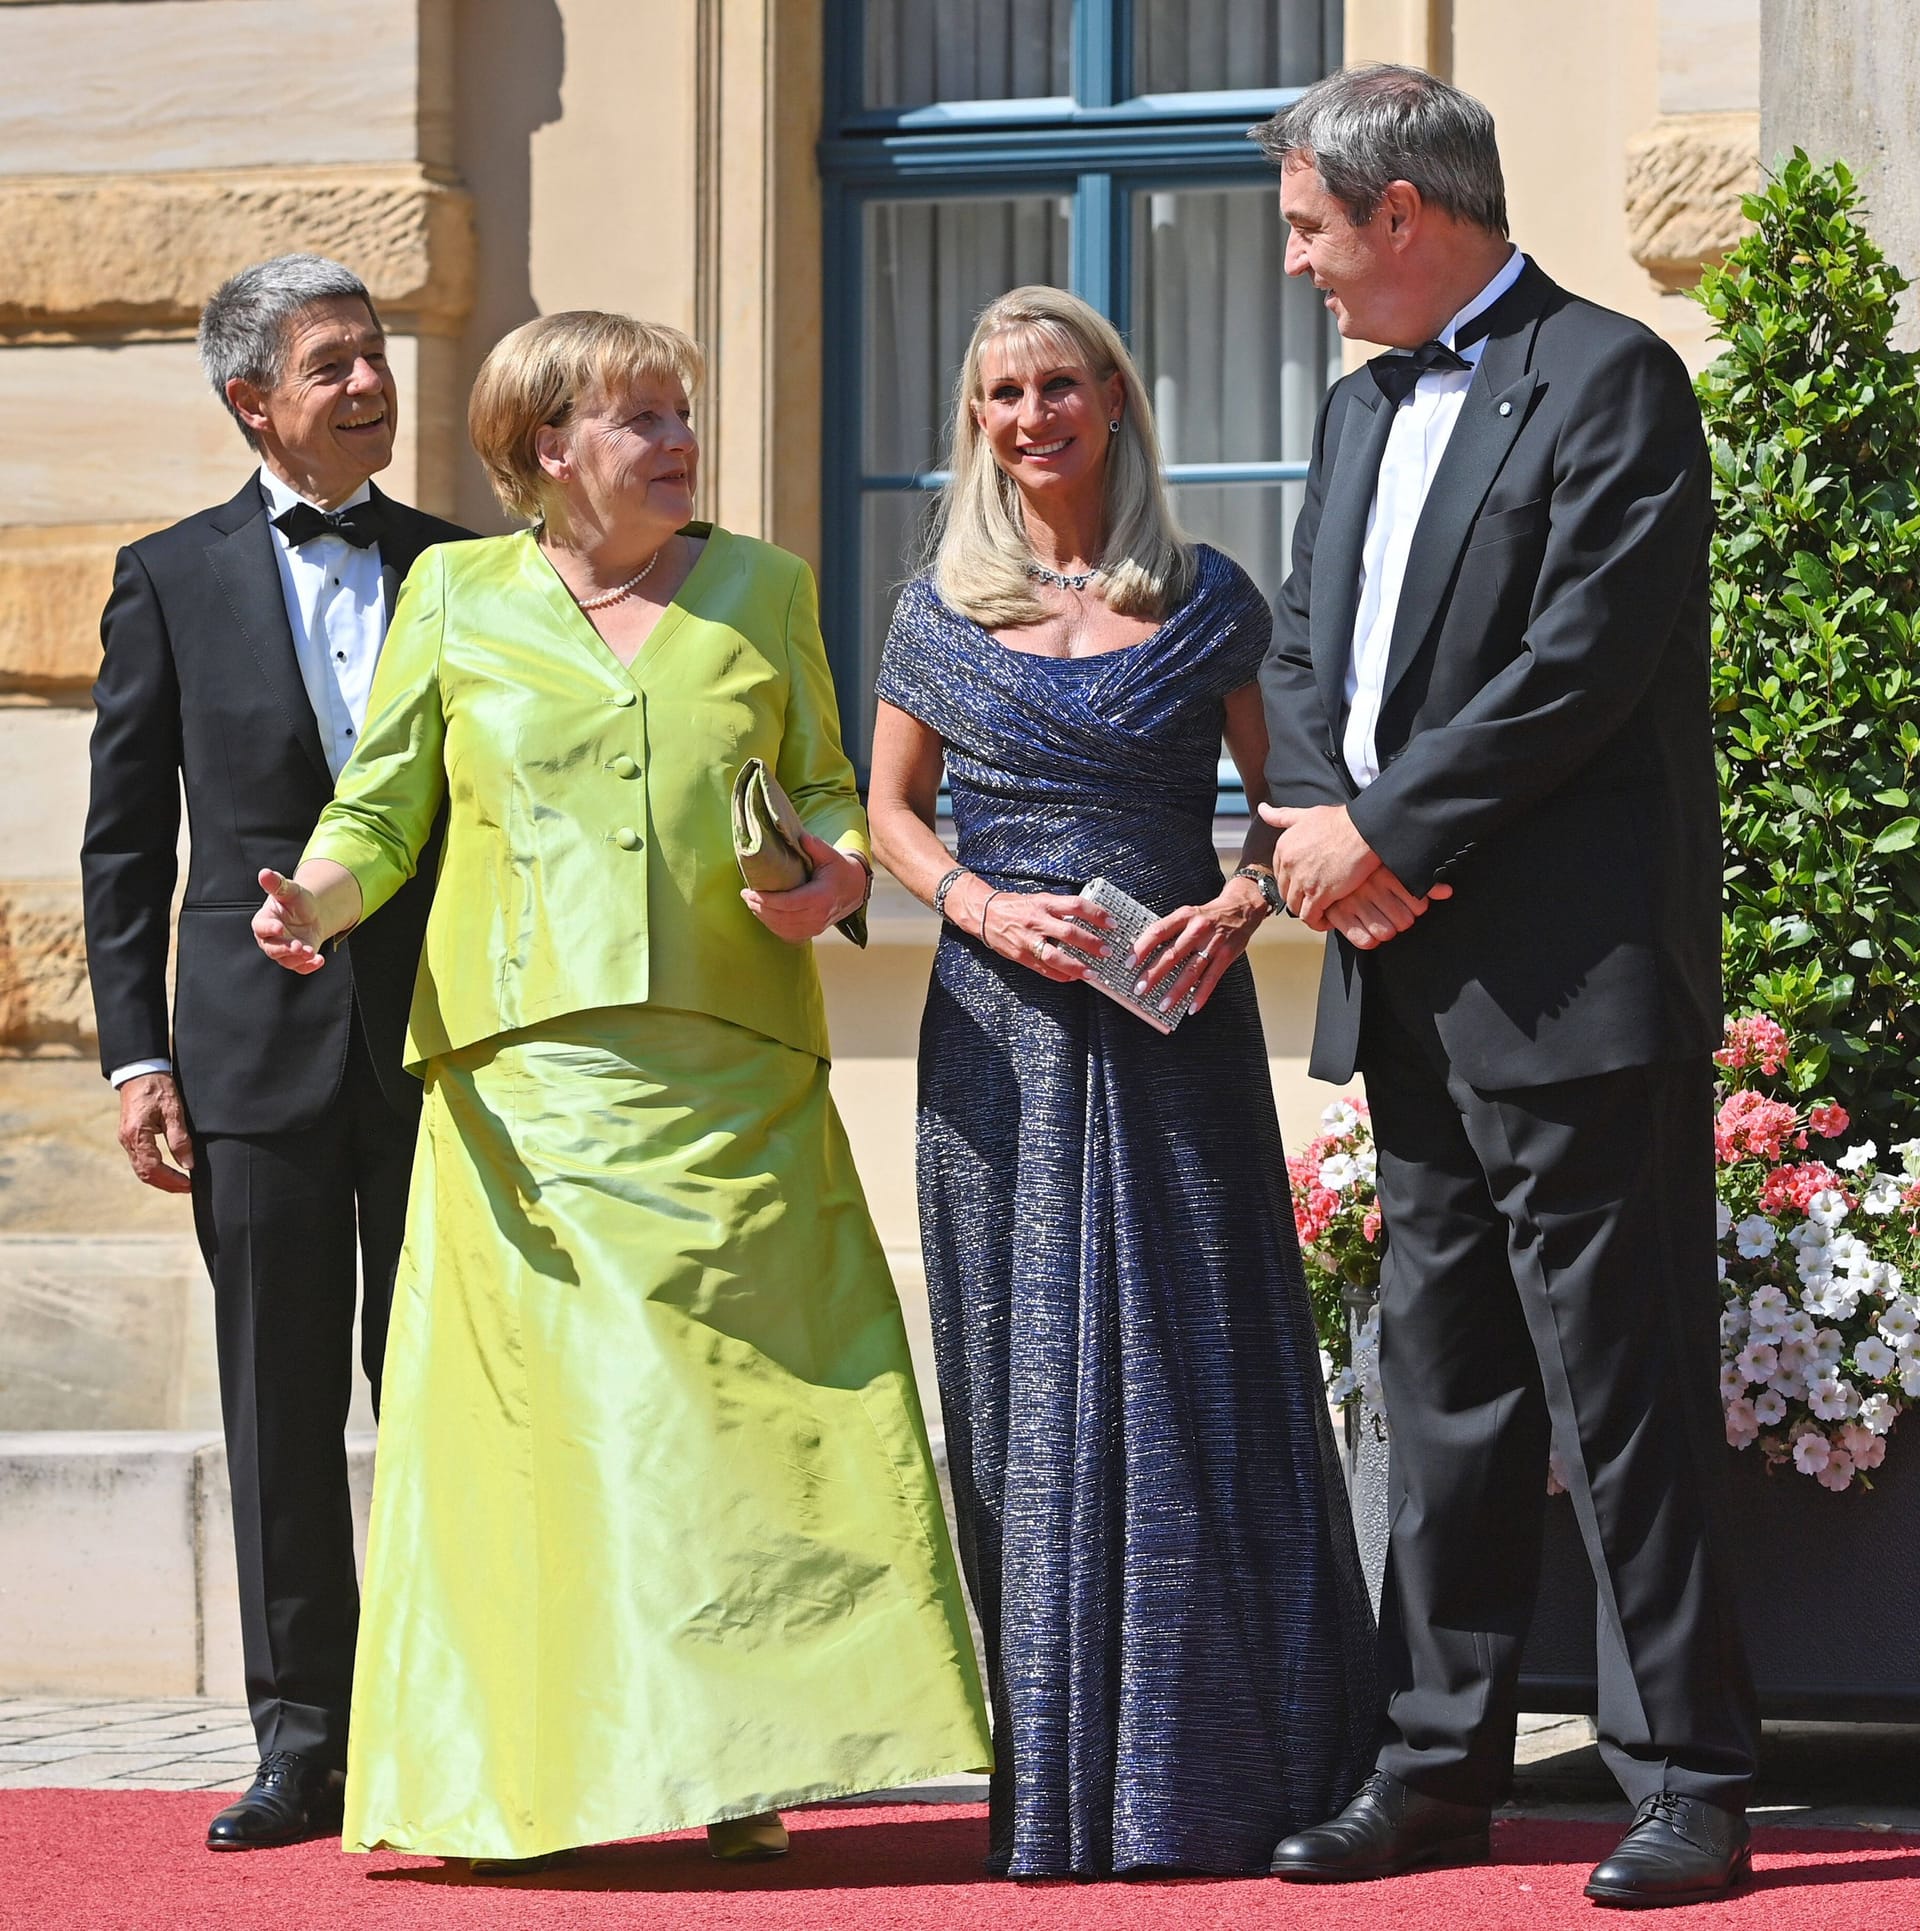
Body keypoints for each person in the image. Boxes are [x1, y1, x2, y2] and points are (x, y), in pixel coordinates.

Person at [249, 310, 991, 1869]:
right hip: (522, 1084)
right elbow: (380, 808)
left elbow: (839, 800)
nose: (675, 440)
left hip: (736, 1071)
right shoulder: (450, 594)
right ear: (545, 449)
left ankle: (746, 1762)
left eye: (680, 413)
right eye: (638, 417)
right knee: (557, 1441)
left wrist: (829, 879)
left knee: (744, 1427)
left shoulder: (765, 586)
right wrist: (309, 904)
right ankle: (524, 1773)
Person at [1252, 66, 1758, 1908]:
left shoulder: (1611, 375)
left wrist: (1382, 834)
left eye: (1310, 226)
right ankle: (1435, 1769)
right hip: (1401, 962)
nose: (1296, 261)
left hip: (1569, 975)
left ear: (1404, 215)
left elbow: (1583, 667)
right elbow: (1306, 638)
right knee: (1441, 1383)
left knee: (1619, 1383)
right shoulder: (1350, 408)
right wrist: (1318, 820)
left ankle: (1687, 1776)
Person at [866, 284, 1377, 1879]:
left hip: (1174, 1025)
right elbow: (889, 813)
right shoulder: (932, 607)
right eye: (1002, 391)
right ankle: (1067, 1786)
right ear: (976, 420)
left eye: (1060, 384)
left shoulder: (1211, 596)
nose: (1033, 415)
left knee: (1204, 1365)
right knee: (1032, 1384)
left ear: (1115, 400)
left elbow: (1292, 804)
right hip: (998, 1046)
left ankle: (1247, 1767)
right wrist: (980, 905)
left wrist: (1235, 906)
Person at [81, 255, 473, 1850]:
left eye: (374, 356)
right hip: (249, 1068)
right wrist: (134, 1058)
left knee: (454, 1400)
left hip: (452, 1047)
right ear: (253, 402)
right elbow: (121, 847)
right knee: (281, 1403)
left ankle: (454, 1723)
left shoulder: (469, 567)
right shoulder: (166, 577)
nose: (371, 383)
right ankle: (303, 1737)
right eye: (334, 366)